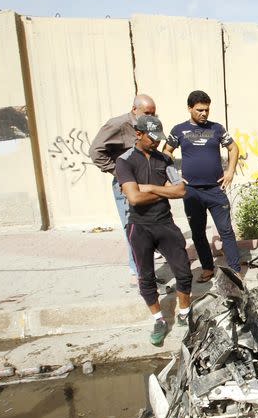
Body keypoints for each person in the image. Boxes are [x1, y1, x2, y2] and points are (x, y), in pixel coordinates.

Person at [115, 115, 193, 347]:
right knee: (146, 277)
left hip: (165, 223)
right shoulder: (125, 161)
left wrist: (149, 187)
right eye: (152, 138)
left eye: (159, 138)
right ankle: (159, 320)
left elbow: (180, 191)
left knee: (184, 271)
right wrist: (163, 190)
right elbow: (135, 198)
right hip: (139, 226)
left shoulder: (165, 159)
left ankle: (185, 313)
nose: (157, 142)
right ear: (138, 134)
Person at [164, 90, 242, 282]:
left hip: (216, 190)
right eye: (199, 110)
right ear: (190, 108)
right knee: (198, 232)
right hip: (191, 192)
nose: (204, 114)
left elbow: (233, 148)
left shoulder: (217, 129)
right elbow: (166, 153)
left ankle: (235, 271)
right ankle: (207, 268)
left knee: (226, 231)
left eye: (206, 110)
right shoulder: (179, 130)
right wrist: (175, 178)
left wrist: (230, 171)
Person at [89, 94, 156, 282]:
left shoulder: (149, 124)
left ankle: (144, 269)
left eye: (153, 113)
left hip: (145, 182)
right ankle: (139, 273)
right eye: (147, 112)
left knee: (147, 225)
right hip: (128, 185)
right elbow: (95, 152)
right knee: (133, 227)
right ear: (135, 109)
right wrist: (119, 173)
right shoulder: (117, 125)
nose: (151, 116)